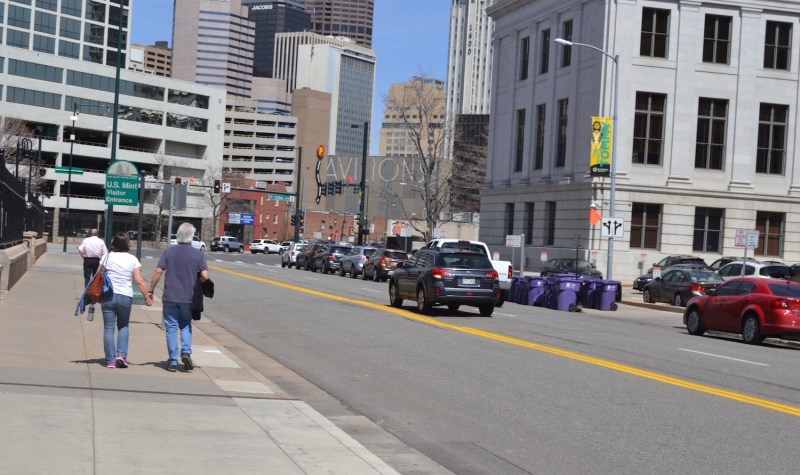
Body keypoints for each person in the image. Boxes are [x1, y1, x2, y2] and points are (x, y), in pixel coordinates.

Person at [148, 222, 209, 372]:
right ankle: (186, 352)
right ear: (192, 236)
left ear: (178, 235)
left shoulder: (169, 251)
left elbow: (158, 271)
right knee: (186, 325)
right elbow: (205, 276)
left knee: (171, 328)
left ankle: (173, 361)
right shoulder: (198, 254)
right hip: (188, 297)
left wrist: (151, 290)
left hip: (170, 296)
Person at [101, 232, 153, 368]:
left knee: (108, 328)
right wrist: (147, 297)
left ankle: (110, 360)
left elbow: (98, 276)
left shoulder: (106, 257)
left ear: (114, 243)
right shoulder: (132, 259)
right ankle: (121, 356)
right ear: (127, 244)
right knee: (123, 325)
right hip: (125, 296)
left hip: (108, 296)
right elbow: (139, 280)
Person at [78, 228, 108, 321]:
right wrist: (102, 262)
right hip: (97, 260)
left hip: (88, 259)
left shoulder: (86, 240)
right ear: (98, 234)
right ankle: (94, 293)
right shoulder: (101, 241)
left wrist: (84, 257)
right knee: (96, 278)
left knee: (87, 277)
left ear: (90, 233)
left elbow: (80, 249)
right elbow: (105, 253)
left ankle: (87, 293)